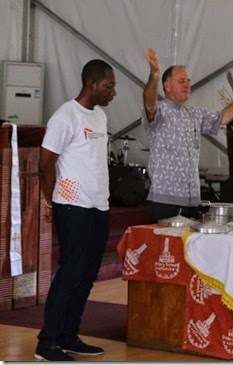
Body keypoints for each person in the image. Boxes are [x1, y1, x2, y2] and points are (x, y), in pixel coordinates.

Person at [36, 59, 116, 361]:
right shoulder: (65, 116)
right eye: (109, 85)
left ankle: (69, 336)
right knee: (70, 273)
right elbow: (46, 164)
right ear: (91, 84)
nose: (113, 92)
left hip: (99, 205)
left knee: (86, 276)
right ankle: (47, 343)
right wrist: (50, 201)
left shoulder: (100, 118)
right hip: (73, 206)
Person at [142, 48, 233, 223]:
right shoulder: (161, 111)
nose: (187, 84)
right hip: (165, 200)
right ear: (167, 86)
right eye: (181, 81)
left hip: (192, 201)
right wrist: (154, 75)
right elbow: (150, 105)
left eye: (188, 81)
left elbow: (224, 118)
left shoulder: (194, 114)